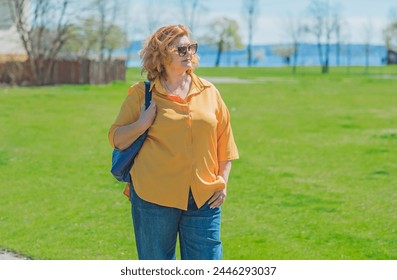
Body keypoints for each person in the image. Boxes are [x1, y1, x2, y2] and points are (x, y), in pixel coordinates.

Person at [108, 24, 239, 260]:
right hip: (154, 198)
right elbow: (117, 139)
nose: (189, 52)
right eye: (181, 49)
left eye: (191, 47)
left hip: (204, 198)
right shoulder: (142, 94)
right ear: (162, 53)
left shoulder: (209, 92)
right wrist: (142, 124)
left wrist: (223, 182)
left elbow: (225, 144)